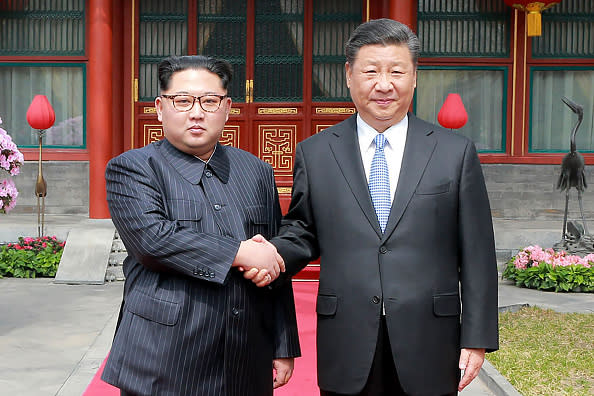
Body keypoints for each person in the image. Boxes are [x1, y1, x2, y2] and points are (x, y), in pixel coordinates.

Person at [261, 18, 499, 396]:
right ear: (349, 76)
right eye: (371, 71)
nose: (384, 84)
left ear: (414, 77)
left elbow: (478, 253)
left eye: (396, 71)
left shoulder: (454, 153)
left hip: (431, 338)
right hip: (347, 336)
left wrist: (478, 337)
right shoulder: (317, 152)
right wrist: (270, 253)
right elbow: (303, 231)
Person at [101, 55, 301, 396]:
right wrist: (240, 252)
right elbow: (153, 241)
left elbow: (271, 262)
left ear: (227, 108)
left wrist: (283, 344)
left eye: (210, 101)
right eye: (183, 100)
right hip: (164, 356)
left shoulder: (256, 172)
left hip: (245, 352)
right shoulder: (133, 169)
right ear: (160, 107)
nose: (196, 112)